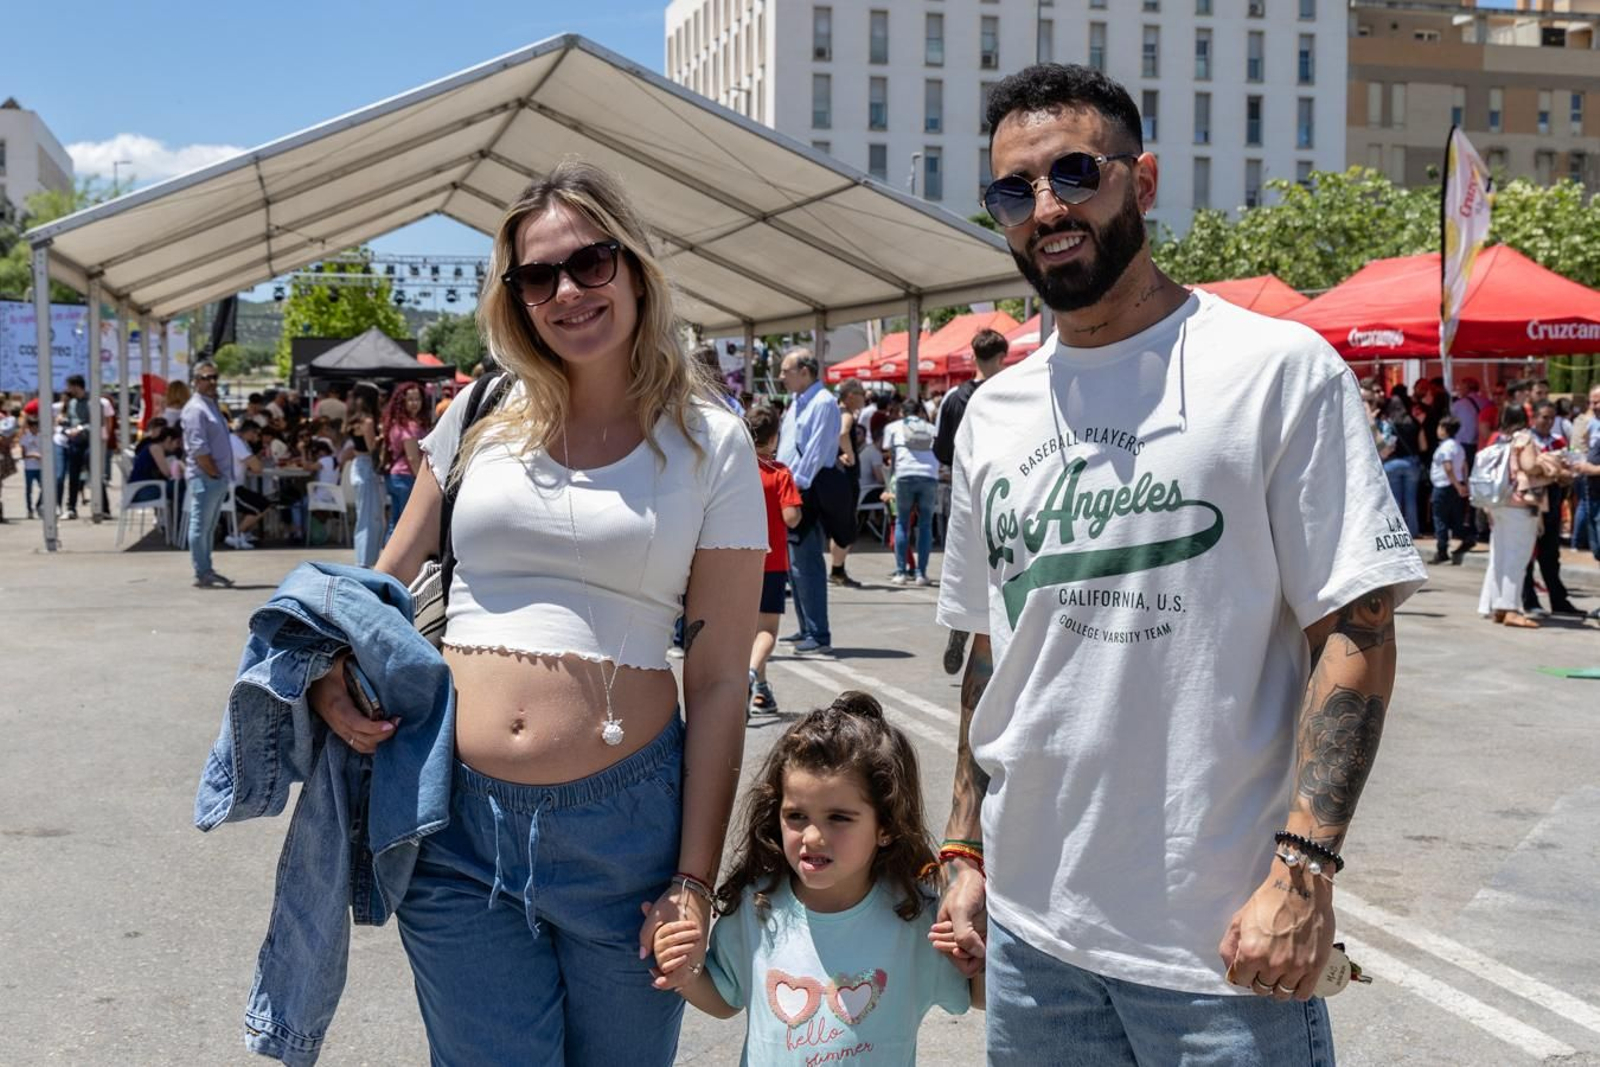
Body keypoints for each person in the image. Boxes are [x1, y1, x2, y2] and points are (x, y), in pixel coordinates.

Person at [934, 63, 1428, 1064]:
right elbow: (992, 648)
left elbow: (1357, 629)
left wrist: (1303, 874)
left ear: (1142, 181)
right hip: (1034, 935)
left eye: (1074, 173)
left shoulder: (1273, 371)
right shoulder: (992, 414)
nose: (1045, 208)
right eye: (1011, 190)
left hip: (1221, 949)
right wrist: (962, 847)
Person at [307, 160, 766, 1065]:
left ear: (633, 266)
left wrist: (693, 879)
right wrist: (327, 668)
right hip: (455, 823)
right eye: (537, 275)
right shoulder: (477, 414)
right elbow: (385, 587)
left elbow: (716, 680)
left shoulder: (711, 441)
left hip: (629, 833)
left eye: (590, 262)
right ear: (513, 295)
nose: (567, 291)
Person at [655, 692, 979, 1063]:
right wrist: (686, 974)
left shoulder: (914, 916)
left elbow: (974, 995)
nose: (811, 837)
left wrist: (979, 938)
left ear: (886, 826)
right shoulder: (756, 906)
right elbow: (725, 997)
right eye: (796, 816)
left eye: (838, 818)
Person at [933, 329, 1011, 674]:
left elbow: (941, 448)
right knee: (999, 565)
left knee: (967, 561)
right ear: (1001, 357)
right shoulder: (1008, 394)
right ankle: (991, 633)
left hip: (963, 487)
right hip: (1002, 490)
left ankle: (961, 626)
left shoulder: (954, 398)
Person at [777, 348, 843, 655]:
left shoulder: (823, 402)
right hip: (792, 487)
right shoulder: (798, 402)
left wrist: (795, 487)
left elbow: (816, 451)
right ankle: (807, 627)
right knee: (794, 564)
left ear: (805, 371)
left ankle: (818, 633)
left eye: (785, 370)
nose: (781, 377)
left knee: (807, 564)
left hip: (806, 489)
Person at [1478, 405, 1560, 628]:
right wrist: (1545, 464)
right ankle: (1511, 609)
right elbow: (1529, 465)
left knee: (1500, 557)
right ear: (1526, 418)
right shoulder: (1523, 437)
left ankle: (1499, 607)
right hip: (1520, 504)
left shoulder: (1498, 438)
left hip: (1498, 503)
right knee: (1517, 558)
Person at [747, 405, 803, 716]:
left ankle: (761, 692)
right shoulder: (779, 472)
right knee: (767, 628)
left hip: (738, 560)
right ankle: (751, 675)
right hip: (772, 560)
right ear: (774, 438)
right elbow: (791, 517)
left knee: (746, 628)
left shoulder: (735, 469)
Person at [1520, 401, 1582, 617]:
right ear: (1534, 418)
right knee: (1527, 553)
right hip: (1532, 502)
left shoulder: (1558, 441)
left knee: (1550, 554)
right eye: (1544, 417)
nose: (1547, 422)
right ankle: (1529, 599)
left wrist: (1564, 476)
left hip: (1553, 501)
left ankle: (1558, 599)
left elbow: (1566, 468)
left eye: (1551, 418)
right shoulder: (1527, 440)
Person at [180, 362, 235, 588]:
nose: (212, 382)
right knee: (200, 525)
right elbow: (198, 447)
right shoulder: (195, 409)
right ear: (195, 380)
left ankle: (207, 569)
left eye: (215, 377)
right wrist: (213, 473)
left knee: (209, 527)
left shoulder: (210, 405)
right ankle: (202, 571)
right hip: (206, 477)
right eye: (206, 377)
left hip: (214, 477)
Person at [881, 401, 940, 586]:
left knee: (902, 522)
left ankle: (901, 572)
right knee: (925, 525)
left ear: (901, 411)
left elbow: (886, 450)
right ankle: (921, 574)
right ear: (920, 412)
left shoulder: (892, 427)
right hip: (929, 476)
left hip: (904, 475)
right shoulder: (931, 428)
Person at [380, 381, 431, 542]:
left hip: (395, 476)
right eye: (410, 399)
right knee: (405, 525)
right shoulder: (411, 427)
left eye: (418, 399)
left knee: (395, 523)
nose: (415, 403)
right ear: (402, 402)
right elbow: (412, 457)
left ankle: (387, 562)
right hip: (406, 477)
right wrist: (421, 482)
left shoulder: (396, 424)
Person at [830, 378, 868, 588]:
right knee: (847, 523)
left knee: (841, 522)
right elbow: (843, 433)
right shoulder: (846, 414)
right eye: (861, 395)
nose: (864, 399)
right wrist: (850, 454)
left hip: (838, 473)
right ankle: (837, 568)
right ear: (851, 396)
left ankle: (838, 568)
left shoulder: (835, 412)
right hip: (847, 476)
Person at [342, 382, 384, 567]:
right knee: (370, 517)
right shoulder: (367, 421)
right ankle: (366, 561)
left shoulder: (352, 419)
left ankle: (364, 559)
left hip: (358, 466)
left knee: (363, 515)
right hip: (367, 466)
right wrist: (381, 437)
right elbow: (371, 447)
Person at [1429, 416, 1475, 565]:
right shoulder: (1458, 446)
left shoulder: (1446, 447)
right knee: (1456, 517)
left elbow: (1448, 467)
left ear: (1444, 429)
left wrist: (1456, 484)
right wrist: (1464, 484)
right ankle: (1466, 538)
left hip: (1444, 486)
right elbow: (1464, 465)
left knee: (1440, 518)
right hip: (1456, 485)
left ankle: (1442, 550)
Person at [225, 419, 272, 549]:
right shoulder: (236, 442)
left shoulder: (239, 441)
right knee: (262, 504)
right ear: (250, 432)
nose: (257, 437)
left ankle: (243, 533)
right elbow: (257, 468)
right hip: (230, 489)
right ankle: (235, 535)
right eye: (256, 434)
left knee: (257, 503)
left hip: (233, 486)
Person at [1381, 396, 1423, 536]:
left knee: (1395, 499)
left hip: (1393, 464)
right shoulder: (1414, 422)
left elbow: (1389, 447)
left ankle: (1397, 532)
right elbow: (1423, 445)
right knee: (1411, 499)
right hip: (1411, 462)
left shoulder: (1391, 424)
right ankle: (1413, 531)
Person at [20, 413, 43, 519]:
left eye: (36, 427)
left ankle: (38, 504)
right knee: (29, 490)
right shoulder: (25, 437)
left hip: (40, 467)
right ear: (29, 427)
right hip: (29, 467)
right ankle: (29, 510)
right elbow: (23, 455)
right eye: (33, 427)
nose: (35, 429)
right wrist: (34, 455)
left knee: (44, 488)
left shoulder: (41, 436)